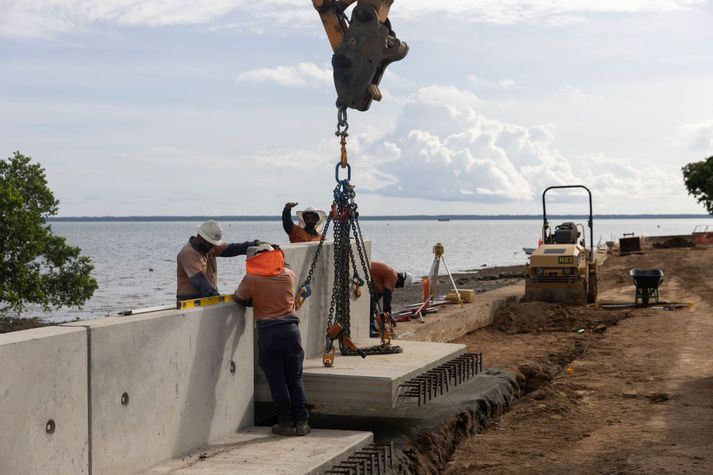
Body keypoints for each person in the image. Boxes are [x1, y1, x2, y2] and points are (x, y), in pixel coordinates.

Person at [234, 243, 310, 437]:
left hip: (269, 333)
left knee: (277, 380)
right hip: (291, 330)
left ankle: (285, 422)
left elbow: (240, 299)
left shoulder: (252, 278)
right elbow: (286, 264)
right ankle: (301, 423)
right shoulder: (288, 275)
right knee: (294, 378)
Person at [176, 220, 266, 301]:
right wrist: (219, 299)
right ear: (202, 238)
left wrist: (255, 244)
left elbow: (233, 249)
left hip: (207, 297)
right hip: (189, 300)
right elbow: (200, 281)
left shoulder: (209, 247)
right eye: (211, 243)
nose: (213, 246)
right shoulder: (188, 253)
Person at [370, 261, 413, 337]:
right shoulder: (392, 276)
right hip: (366, 270)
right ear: (401, 279)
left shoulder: (387, 276)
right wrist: (388, 316)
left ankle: (371, 326)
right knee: (371, 305)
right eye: (399, 285)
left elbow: (378, 296)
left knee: (372, 305)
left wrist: (381, 314)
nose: (397, 287)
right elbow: (387, 298)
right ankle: (370, 328)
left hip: (370, 274)